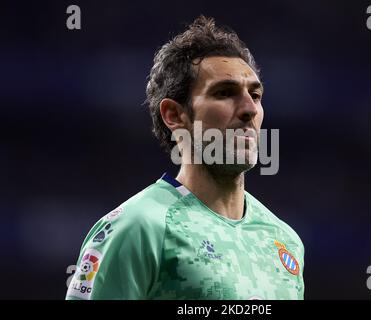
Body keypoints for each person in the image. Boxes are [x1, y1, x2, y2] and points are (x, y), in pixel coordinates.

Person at [66, 15, 305, 300]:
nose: (249, 109)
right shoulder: (138, 229)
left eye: (255, 95)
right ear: (174, 115)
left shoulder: (283, 241)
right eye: (225, 93)